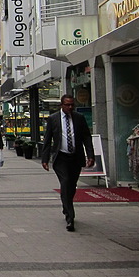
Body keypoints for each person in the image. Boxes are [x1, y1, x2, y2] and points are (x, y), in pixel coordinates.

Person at [41, 94, 95, 232]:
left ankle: (66, 206)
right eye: (67, 105)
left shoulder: (79, 118)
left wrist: (90, 155)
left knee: (71, 186)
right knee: (65, 183)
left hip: (75, 157)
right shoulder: (53, 119)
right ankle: (70, 217)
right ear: (61, 105)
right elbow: (47, 140)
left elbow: (86, 137)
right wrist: (45, 159)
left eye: (72, 105)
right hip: (61, 158)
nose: (70, 107)